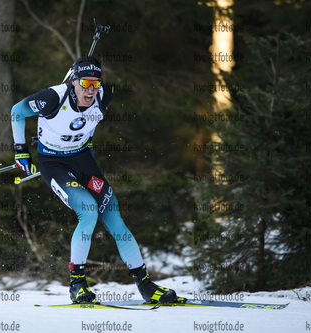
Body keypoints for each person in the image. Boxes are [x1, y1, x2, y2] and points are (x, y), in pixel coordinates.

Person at [11, 56, 184, 304]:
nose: (91, 90)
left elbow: (88, 126)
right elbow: (17, 111)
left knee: (113, 214)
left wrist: (82, 144)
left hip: (82, 161)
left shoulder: (104, 96)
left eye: (95, 84)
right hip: (54, 164)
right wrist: (21, 150)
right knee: (88, 210)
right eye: (85, 84)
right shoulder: (52, 97)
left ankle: (146, 286)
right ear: (73, 82)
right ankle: (77, 285)